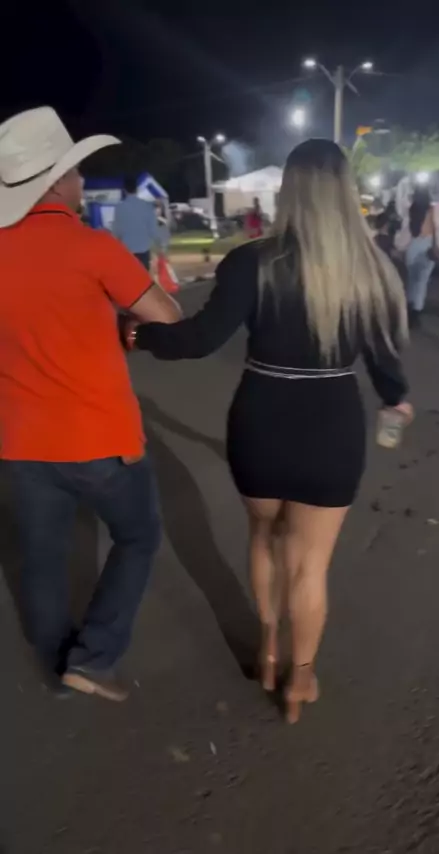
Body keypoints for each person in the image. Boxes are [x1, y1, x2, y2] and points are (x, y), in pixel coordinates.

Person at [123, 139, 411, 724]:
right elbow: (385, 362)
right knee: (310, 565)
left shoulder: (251, 261)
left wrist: (138, 335)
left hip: (262, 420)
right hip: (332, 427)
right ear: (344, 192)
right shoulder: (372, 267)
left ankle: (270, 650)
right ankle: (300, 679)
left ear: (289, 192)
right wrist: (396, 400)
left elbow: (199, 339)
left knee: (263, 536)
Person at [0, 107, 181, 701]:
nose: (81, 180)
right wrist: (123, 325)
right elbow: (168, 316)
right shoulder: (93, 248)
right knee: (138, 536)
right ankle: (94, 656)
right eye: (76, 171)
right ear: (56, 180)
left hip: (20, 442)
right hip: (99, 438)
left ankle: (59, 665)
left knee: (41, 559)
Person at [401, 188, 439, 327]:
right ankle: (416, 311)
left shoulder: (412, 210)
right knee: (422, 281)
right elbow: (438, 228)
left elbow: (406, 228)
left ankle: (408, 308)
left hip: (412, 245)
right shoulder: (433, 209)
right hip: (427, 245)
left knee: (411, 280)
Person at [113, 175, 163, 270]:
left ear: (124, 190)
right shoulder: (146, 206)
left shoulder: (119, 208)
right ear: (137, 189)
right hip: (143, 250)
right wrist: (159, 247)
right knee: (143, 276)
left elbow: (117, 232)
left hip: (127, 251)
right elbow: (153, 230)